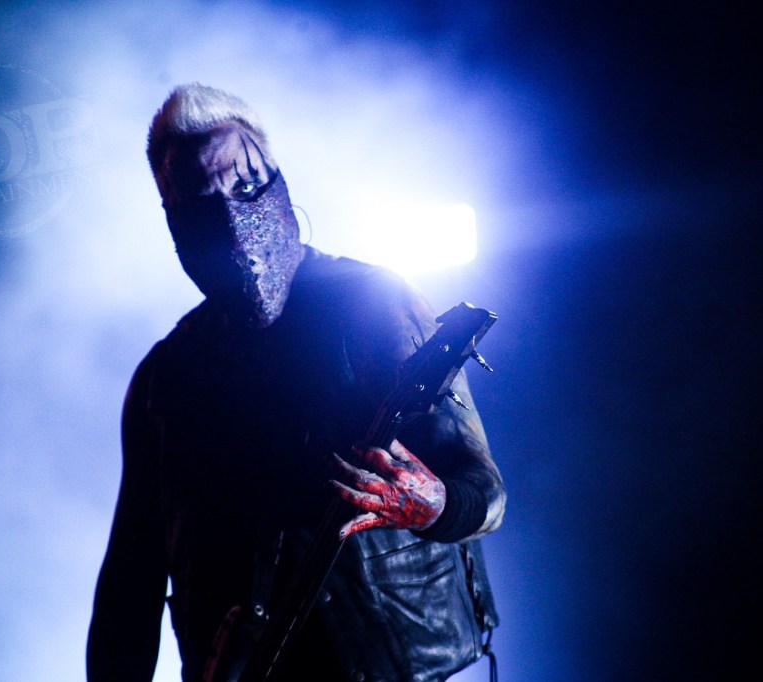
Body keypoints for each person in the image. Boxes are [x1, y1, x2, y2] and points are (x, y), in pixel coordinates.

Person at [87, 83, 506, 682]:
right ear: (174, 220)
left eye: (247, 186)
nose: (233, 222)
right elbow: (131, 579)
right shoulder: (165, 379)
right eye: (202, 204)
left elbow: (484, 488)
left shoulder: (375, 305)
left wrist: (434, 504)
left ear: (278, 182)